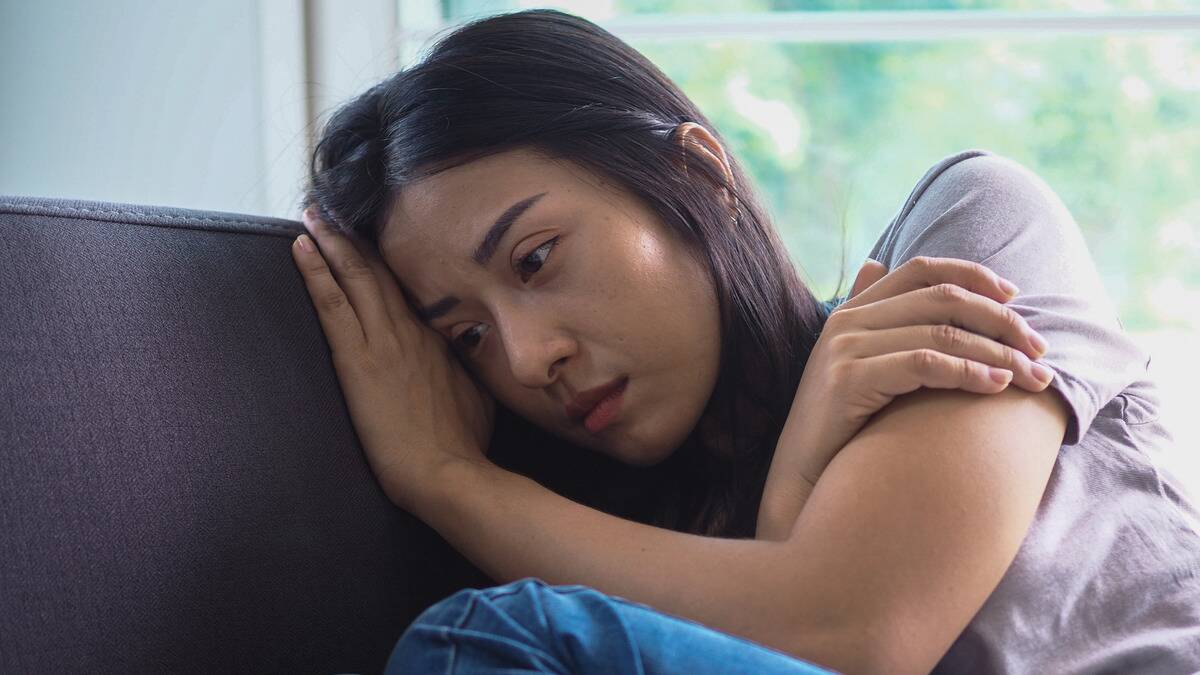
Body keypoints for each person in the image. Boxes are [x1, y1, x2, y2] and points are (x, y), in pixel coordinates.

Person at [291, 8, 1200, 674]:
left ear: (694, 174)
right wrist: (788, 494)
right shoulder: (623, 543)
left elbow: (862, 628)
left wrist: (454, 481)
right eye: (467, 337)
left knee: (489, 639)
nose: (529, 361)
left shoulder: (966, 239)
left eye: (535, 258)